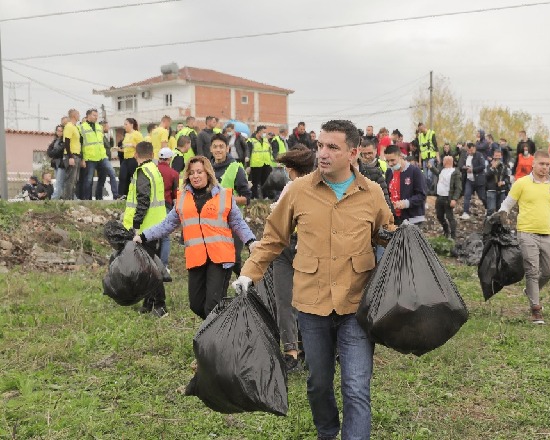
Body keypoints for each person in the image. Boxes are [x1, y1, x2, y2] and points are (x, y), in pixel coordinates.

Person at [233, 120, 394, 440]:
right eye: (320, 145)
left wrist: (403, 244)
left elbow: (386, 236)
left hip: (355, 305)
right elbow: (272, 239)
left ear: (352, 153)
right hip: (312, 303)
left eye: (332, 147)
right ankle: (327, 432)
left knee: (356, 387)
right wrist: (249, 273)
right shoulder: (297, 191)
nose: (323, 153)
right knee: (319, 383)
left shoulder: (372, 193)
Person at [135, 156, 255, 319]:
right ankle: (227, 323)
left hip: (220, 258)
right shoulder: (183, 198)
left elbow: (238, 223)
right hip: (197, 258)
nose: (195, 176)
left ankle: (217, 340)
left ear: (208, 173)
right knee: (196, 305)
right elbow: (166, 225)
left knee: (212, 305)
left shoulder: (224, 196)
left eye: (199, 172)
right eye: (191, 173)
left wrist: (251, 241)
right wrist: (143, 236)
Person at [491, 150, 550, 324]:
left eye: (547, 164)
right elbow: (507, 204)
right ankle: (536, 309)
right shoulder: (521, 183)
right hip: (527, 233)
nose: (545, 167)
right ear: (533, 164)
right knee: (532, 271)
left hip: (548, 234)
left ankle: (530, 291)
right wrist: (500, 216)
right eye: (542, 164)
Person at [267, 146, 317, 372]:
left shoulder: (307, 188)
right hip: (290, 248)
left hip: (303, 248)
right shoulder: (295, 187)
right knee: (294, 301)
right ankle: (296, 351)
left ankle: (298, 351)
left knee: (292, 301)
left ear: (291, 169)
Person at [123, 141, 168, 318]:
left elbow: (143, 199)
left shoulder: (143, 171)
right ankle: (149, 303)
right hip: (155, 225)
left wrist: (136, 225)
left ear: (136, 154)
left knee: (149, 268)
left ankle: (160, 304)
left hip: (145, 228)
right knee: (147, 266)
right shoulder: (155, 169)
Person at [210, 133, 251, 277]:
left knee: (234, 260)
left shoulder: (236, 168)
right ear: (211, 149)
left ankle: (249, 285)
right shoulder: (207, 169)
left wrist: (227, 198)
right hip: (212, 224)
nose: (218, 150)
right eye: (215, 147)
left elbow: (246, 198)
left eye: (221, 146)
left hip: (232, 223)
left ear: (227, 148)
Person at [79, 109, 118, 200]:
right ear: (88, 116)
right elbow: (80, 144)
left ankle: (116, 196)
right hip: (90, 157)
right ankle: (88, 200)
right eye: (94, 115)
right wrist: (82, 158)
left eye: (97, 115)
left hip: (102, 156)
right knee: (89, 180)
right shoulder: (81, 127)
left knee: (112, 172)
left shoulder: (99, 127)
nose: (96, 117)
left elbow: (102, 142)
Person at [385, 144, 427, 226]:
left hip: (412, 219)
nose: (390, 164)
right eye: (387, 161)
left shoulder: (414, 171)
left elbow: (422, 195)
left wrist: (406, 203)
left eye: (393, 160)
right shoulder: (389, 172)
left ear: (400, 156)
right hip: (395, 217)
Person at [156, 148, 180, 274]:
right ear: (170, 159)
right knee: (165, 238)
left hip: (152, 207)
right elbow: (175, 194)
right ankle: (163, 266)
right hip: (165, 206)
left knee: (151, 235)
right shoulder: (174, 174)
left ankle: (151, 263)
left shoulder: (152, 170)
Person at [431, 155, 462, 239]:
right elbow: (438, 173)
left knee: (450, 217)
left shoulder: (455, 172)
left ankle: (453, 235)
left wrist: (454, 199)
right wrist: (431, 168)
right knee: (439, 216)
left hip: (447, 198)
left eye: (444, 160)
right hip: (440, 197)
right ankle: (446, 230)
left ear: (447, 161)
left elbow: (458, 187)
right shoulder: (443, 170)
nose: (442, 162)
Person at [458, 142, 487, 220]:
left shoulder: (479, 155)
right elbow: (460, 165)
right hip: (469, 180)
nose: (469, 152)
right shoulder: (466, 156)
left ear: (474, 148)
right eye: (468, 150)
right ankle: (465, 212)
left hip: (478, 180)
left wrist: (473, 170)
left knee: (482, 196)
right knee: (467, 196)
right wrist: (464, 167)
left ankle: (488, 209)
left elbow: (483, 166)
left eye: (471, 150)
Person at [61, 109, 82, 201]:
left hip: (76, 155)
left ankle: (71, 198)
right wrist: (70, 156)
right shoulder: (69, 126)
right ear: (74, 115)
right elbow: (67, 142)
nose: (79, 116)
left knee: (74, 179)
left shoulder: (75, 127)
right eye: (78, 114)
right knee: (70, 179)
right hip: (71, 155)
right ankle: (67, 199)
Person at [118, 118, 143, 197]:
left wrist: (132, 145)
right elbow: (125, 149)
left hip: (133, 158)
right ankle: (123, 194)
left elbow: (141, 146)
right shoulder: (126, 135)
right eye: (124, 124)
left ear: (131, 125)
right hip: (126, 158)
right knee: (122, 176)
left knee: (134, 177)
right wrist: (118, 149)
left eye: (126, 124)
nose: (124, 126)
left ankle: (138, 194)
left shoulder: (137, 134)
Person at [247, 126, 273, 199]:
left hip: (266, 164)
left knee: (265, 182)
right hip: (256, 164)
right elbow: (248, 153)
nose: (265, 134)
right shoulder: (251, 141)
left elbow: (269, 151)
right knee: (255, 183)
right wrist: (248, 165)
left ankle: (265, 197)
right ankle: (254, 197)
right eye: (263, 132)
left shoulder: (266, 140)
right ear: (258, 132)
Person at [485, 149, 510, 216]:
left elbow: (507, 178)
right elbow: (486, 176)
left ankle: (499, 225)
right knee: (491, 210)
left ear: (501, 156)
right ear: (493, 156)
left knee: (501, 210)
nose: (497, 158)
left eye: (499, 156)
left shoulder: (504, 166)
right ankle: (488, 225)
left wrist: (503, 182)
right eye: (496, 156)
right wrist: (493, 168)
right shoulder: (489, 166)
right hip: (491, 190)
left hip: (501, 190)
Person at [416, 122, 438, 191]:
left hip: (431, 157)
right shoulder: (420, 136)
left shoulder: (431, 133)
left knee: (429, 175)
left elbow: (435, 146)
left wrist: (437, 157)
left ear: (424, 126)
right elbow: (420, 150)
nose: (421, 131)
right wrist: (420, 161)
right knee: (425, 176)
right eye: (419, 130)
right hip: (424, 159)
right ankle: (426, 190)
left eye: (421, 129)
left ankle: (429, 189)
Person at [49, 125, 66, 200]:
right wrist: (53, 152)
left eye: (61, 131)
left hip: (62, 163)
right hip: (55, 164)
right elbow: (49, 152)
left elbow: (59, 152)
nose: (59, 132)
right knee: (59, 183)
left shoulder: (64, 141)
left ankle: (53, 199)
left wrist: (53, 152)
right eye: (58, 130)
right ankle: (62, 198)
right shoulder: (54, 141)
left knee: (59, 182)